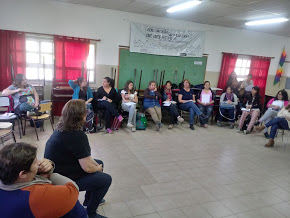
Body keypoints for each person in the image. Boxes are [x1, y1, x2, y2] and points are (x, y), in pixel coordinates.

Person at [45, 99, 112, 218]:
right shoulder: (77, 135)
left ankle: (88, 201)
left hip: (57, 171)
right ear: (81, 116)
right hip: (62, 179)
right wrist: (98, 169)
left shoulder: (61, 128)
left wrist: (97, 166)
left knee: (99, 163)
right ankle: (91, 213)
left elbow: (84, 158)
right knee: (106, 179)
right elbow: (87, 167)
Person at [0, 142, 87, 218]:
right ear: (23, 174)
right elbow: (73, 189)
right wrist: (51, 175)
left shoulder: (8, 176)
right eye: (35, 162)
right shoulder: (35, 196)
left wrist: (48, 166)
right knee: (75, 206)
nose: (39, 162)